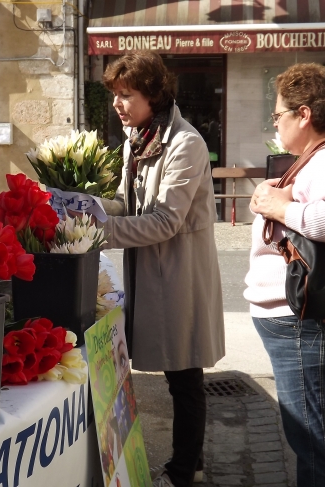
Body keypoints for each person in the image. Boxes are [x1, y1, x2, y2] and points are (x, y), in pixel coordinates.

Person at [99, 51, 225, 487]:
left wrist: (99, 232)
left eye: (126, 95)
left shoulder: (184, 143)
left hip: (179, 274)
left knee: (185, 375)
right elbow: (126, 203)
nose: (118, 104)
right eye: (115, 94)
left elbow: (165, 220)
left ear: (153, 95)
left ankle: (183, 470)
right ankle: (192, 462)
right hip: (151, 269)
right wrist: (86, 208)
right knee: (180, 375)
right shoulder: (139, 137)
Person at [245, 63, 325, 487]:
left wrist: (276, 207)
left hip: (309, 320)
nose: (275, 123)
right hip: (304, 319)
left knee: (315, 439)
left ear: (304, 114)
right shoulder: (322, 157)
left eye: (278, 114)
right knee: (313, 435)